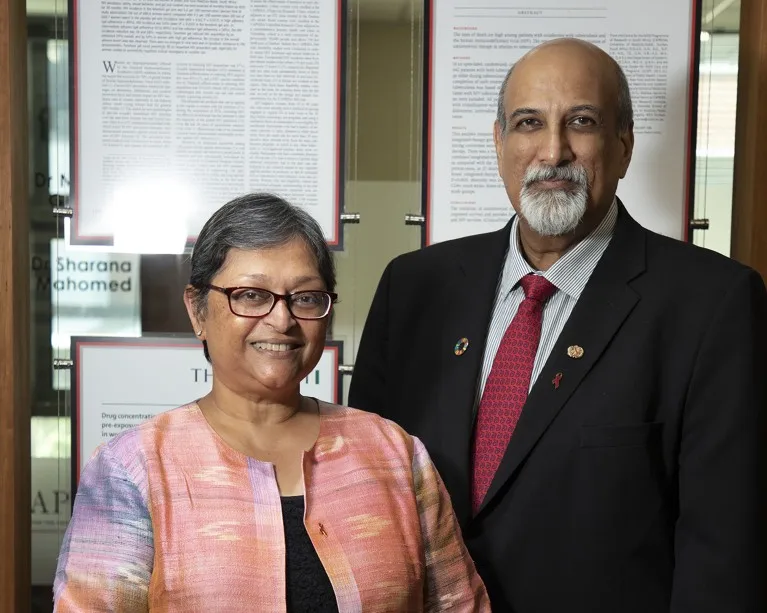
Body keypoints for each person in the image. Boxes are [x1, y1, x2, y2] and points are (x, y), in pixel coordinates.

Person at [349, 38, 767, 612]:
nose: (553, 150)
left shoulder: (712, 304)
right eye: (528, 123)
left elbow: (725, 552)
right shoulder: (415, 287)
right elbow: (366, 490)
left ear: (623, 145)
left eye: (582, 122)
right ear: (499, 144)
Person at [54, 193, 490, 612]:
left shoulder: (395, 454)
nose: (282, 320)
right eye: (251, 295)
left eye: (305, 298)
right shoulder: (135, 468)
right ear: (197, 310)